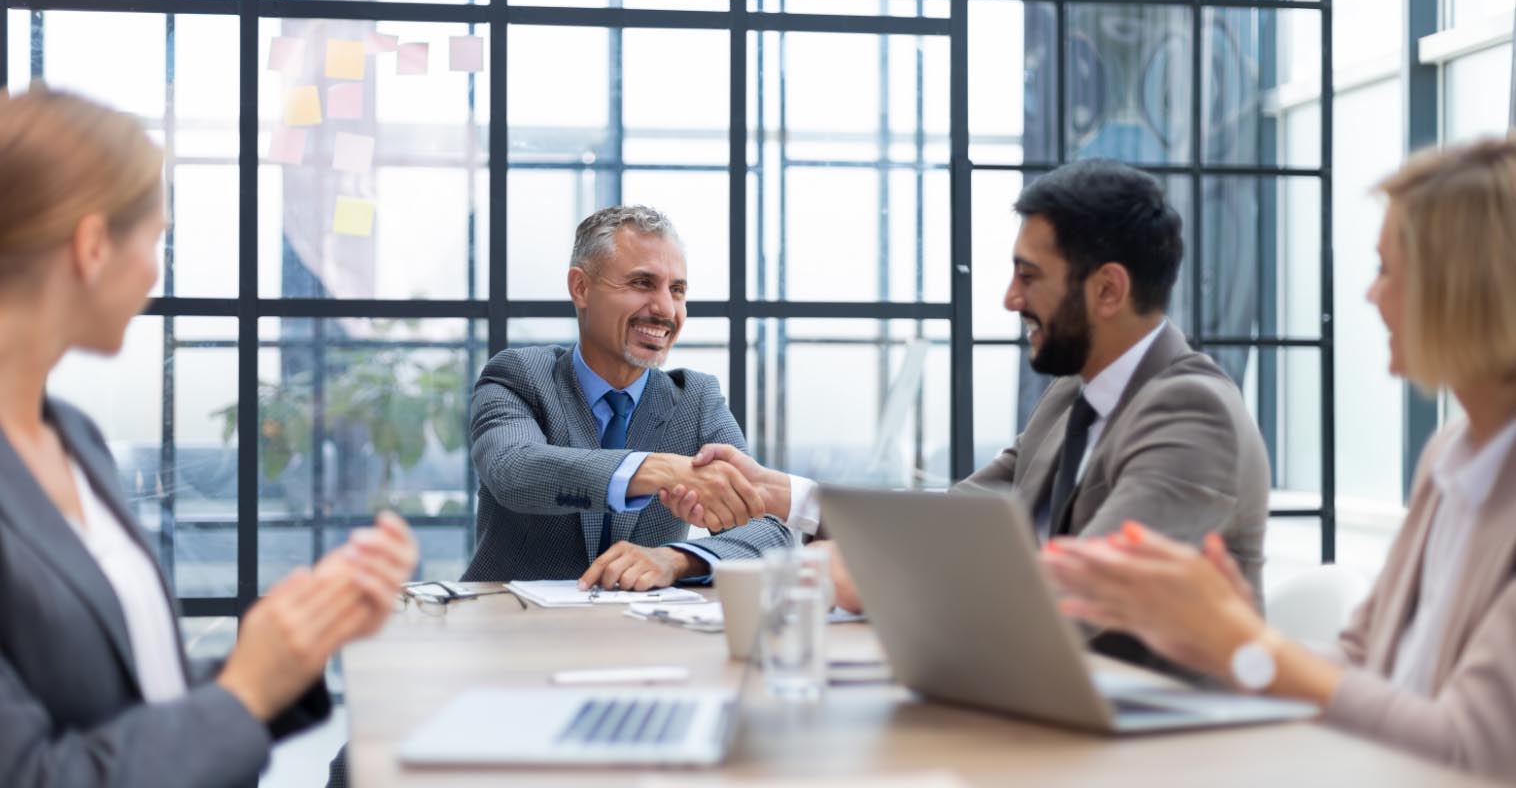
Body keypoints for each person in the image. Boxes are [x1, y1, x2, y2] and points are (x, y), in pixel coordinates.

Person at [1039, 137, 1516, 780]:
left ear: (1463, 289)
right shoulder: (1450, 457)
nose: (1370, 295)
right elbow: (1361, 659)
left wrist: (1245, 644)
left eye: (1386, 269)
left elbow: (1473, 754)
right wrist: (1222, 640)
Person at [0, 86, 418, 787]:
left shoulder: (71, 437)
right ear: (93, 246)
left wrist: (293, 648)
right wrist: (246, 690)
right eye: (155, 240)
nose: (156, 271)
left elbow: (139, 694)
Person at [662, 159, 1270, 627]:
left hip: (1157, 731)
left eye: (1029, 276)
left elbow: (1089, 592)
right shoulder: (1071, 398)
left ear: (1108, 290)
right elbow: (957, 517)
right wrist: (780, 495)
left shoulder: (1194, 412)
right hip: (1043, 704)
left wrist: (880, 577)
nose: (1010, 298)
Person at [460, 205, 793, 590]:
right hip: (508, 620)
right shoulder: (519, 376)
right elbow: (513, 470)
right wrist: (662, 471)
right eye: (642, 283)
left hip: (642, 625)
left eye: (677, 290)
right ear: (581, 288)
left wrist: (677, 559)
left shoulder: (696, 400)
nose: (665, 309)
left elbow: (768, 528)